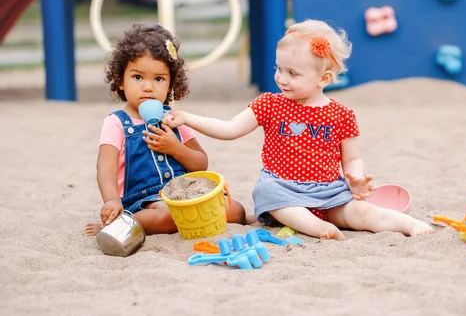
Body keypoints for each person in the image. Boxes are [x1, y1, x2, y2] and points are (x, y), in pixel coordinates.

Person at [163, 19, 434, 240]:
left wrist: (356, 177)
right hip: (283, 188)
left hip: (329, 192)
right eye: (279, 68)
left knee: (363, 213)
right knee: (268, 194)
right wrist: (188, 117)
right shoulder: (269, 104)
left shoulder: (342, 114)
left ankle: (408, 224)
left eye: (293, 73)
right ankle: (319, 230)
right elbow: (229, 129)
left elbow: (352, 158)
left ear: (324, 78)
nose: (281, 78)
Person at [83, 24, 247, 237]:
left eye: (158, 79)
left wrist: (176, 148)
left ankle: (239, 219)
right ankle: (118, 225)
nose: (148, 87)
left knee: (236, 210)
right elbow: (105, 167)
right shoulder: (116, 123)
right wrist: (112, 201)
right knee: (165, 216)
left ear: (170, 84)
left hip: (185, 194)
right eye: (138, 77)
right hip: (146, 203)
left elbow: (201, 163)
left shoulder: (174, 118)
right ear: (121, 80)